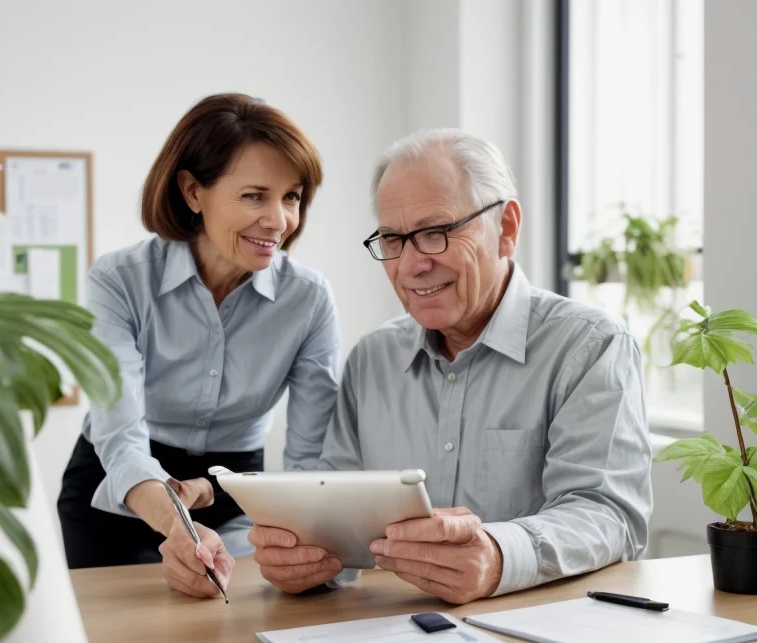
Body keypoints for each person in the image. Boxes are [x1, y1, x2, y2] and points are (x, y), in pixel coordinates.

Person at [248, 128, 653, 603]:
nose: (411, 264)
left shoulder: (591, 346)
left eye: (435, 233)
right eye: (394, 240)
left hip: (540, 635)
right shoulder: (373, 359)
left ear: (505, 229)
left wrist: (498, 556)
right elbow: (333, 514)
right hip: (386, 636)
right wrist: (306, 558)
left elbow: (609, 517)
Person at [57, 94, 341, 600]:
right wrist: (182, 529)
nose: (279, 220)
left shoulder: (309, 300)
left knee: (231, 637)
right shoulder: (120, 282)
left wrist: (300, 542)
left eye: (292, 196)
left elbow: (308, 459)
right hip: (114, 487)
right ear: (192, 191)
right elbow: (120, 437)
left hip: (233, 489)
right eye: (255, 195)